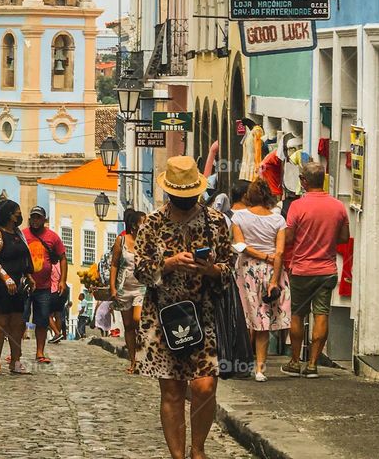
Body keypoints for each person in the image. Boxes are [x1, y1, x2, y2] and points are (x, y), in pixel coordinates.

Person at [135, 155, 234, 459]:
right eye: (180, 195)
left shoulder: (215, 222)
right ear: (170, 193)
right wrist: (169, 264)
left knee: (205, 387)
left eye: (191, 194)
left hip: (203, 315)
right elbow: (140, 269)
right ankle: (178, 455)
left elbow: (229, 267)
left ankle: (198, 450)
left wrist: (211, 270)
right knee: (173, 391)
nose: (186, 199)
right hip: (163, 317)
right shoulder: (152, 223)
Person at [282, 162, 350, 379]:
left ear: (303, 181)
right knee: (322, 314)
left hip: (302, 270)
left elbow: (290, 238)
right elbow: (343, 238)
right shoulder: (338, 206)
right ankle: (312, 365)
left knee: (297, 314)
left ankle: (294, 362)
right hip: (327, 269)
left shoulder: (297, 207)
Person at [231, 180, 290, 381]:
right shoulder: (278, 220)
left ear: (249, 196)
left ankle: (243, 364)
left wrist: (261, 256)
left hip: (247, 270)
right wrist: (274, 280)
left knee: (246, 317)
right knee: (263, 320)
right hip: (271, 270)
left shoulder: (238, 217)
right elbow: (280, 252)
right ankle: (260, 369)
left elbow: (239, 246)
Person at [0, 199, 34, 376]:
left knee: (18, 324)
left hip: (18, 284)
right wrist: (5, 278)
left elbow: (23, 257)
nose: (19, 216)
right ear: (9, 215)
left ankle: (16, 360)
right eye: (16, 213)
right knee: (1, 322)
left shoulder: (17, 234)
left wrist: (28, 276)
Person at [22, 206, 67, 365]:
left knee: (41, 320)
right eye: (33, 217)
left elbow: (62, 257)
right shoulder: (23, 234)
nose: (35, 220)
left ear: (43, 219)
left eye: (38, 218)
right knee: (21, 319)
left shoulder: (52, 237)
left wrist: (62, 280)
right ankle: (16, 352)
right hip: (26, 286)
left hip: (44, 287)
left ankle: (40, 352)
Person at [111, 209, 146, 373]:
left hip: (141, 287)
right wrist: (112, 287)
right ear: (134, 225)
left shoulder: (146, 242)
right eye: (142, 222)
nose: (146, 225)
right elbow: (114, 264)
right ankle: (133, 361)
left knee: (137, 319)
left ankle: (142, 356)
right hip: (124, 287)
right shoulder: (122, 240)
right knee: (128, 325)